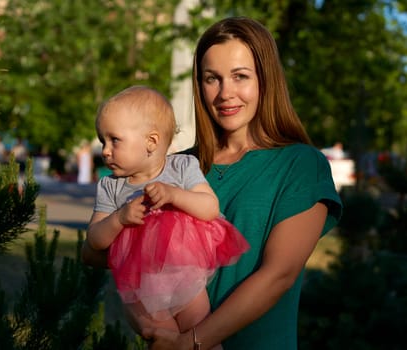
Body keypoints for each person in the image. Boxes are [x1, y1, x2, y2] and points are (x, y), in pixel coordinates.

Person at [83, 16, 342, 349]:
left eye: (240, 76)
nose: (225, 93)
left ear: (266, 80)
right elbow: (93, 251)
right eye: (212, 79)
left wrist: (190, 342)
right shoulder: (175, 167)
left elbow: (279, 275)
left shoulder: (301, 165)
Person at [84, 85, 249, 347]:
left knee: (200, 333)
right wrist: (119, 219)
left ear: (151, 142)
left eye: (114, 140)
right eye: (103, 140)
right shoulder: (111, 186)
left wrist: (174, 195)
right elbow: (94, 239)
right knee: (160, 339)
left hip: (186, 279)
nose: (105, 150)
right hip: (140, 288)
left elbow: (209, 207)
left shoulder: (181, 168)